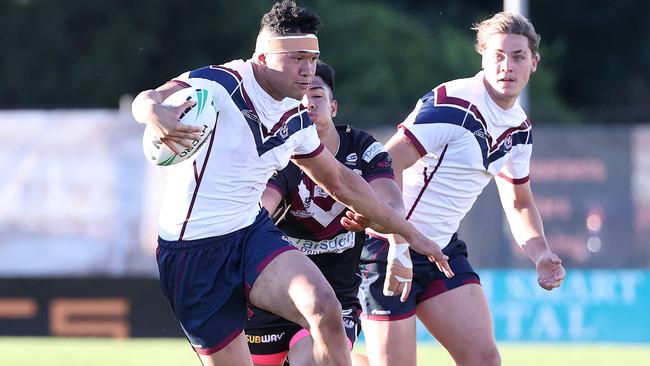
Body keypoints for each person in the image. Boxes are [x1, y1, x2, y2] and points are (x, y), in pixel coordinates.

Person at [130, 1, 452, 366]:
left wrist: (410, 234)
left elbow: (341, 181)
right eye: (297, 58)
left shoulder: (296, 118)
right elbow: (147, 99)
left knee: (325, 306)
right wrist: (154, 113)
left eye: (313, 59)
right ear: (264, 56)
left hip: (249, 233)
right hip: (192, 251)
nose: (308, 70)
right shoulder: (221, 83)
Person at [343, 12, 567, 366]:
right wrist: (399, 243)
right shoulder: (453, 103)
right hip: (386, 246)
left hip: (440, 251)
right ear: (483, 57)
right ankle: (339, 357)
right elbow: (384, 164)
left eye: (518, 57)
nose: (506, 66)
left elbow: (520, 202)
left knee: (484, 359)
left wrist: (540, 254)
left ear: (534, 62)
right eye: (498, 55)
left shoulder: (520, 129)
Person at [244, 61, 400, 366]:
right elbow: (261, 205)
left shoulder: (363, 148)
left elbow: (390, 203)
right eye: (299, 97)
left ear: (334, 106)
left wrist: (381, 223)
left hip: (336, 299)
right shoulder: (281, 153)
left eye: (316, 95)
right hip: (275, 296)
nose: (307, 103)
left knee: (313, 361)